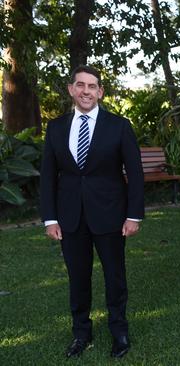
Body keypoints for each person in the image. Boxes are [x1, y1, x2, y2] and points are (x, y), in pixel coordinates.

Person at [40, 65, 144, 358]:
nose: (86, 91)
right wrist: (50, 218)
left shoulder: (119, 126)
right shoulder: (56, 127)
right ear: (72, 89)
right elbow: (48, 176)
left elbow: (135, 174)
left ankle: (119, 333)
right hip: (70, 218)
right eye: (81, 85)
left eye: (92, 86)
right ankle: (81, 334)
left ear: (100, 92)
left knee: (115, 277)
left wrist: (133, 215)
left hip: (110, 215)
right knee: (78, 279)